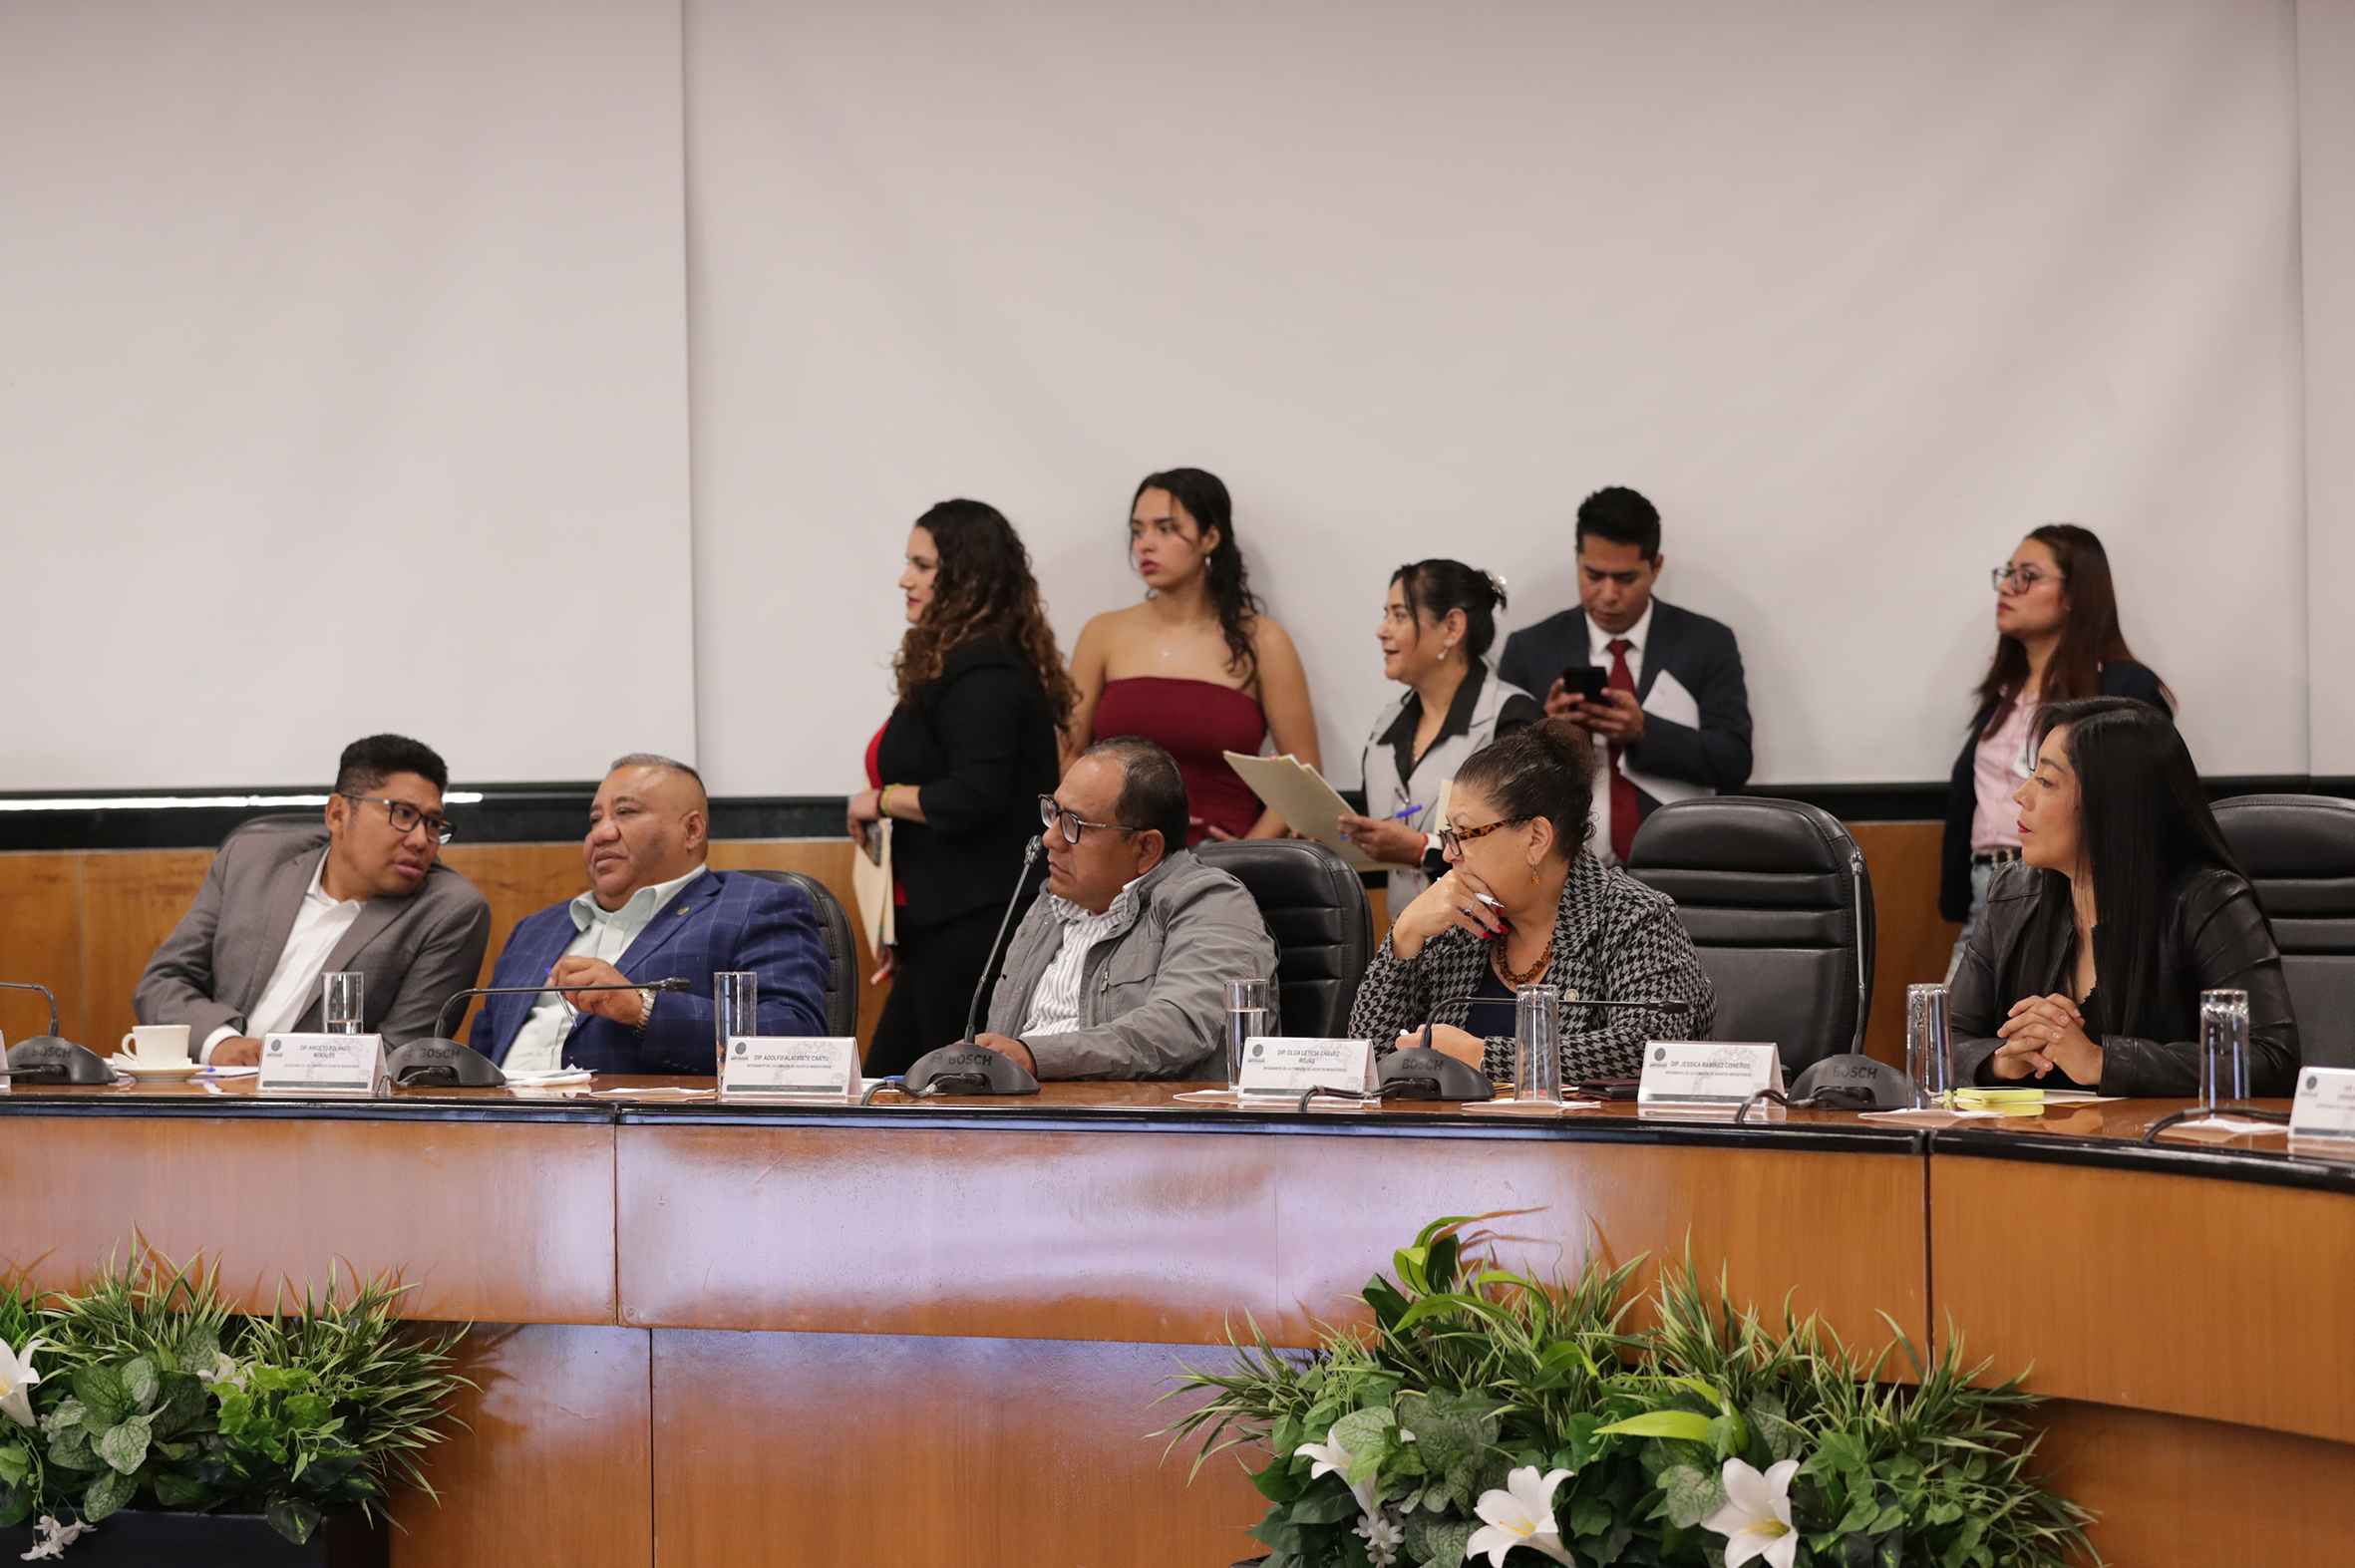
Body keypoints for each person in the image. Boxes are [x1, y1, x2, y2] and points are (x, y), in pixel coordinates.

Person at [1950, 698, 2297, 1096]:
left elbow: (2271, 1058)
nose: (2021, 795)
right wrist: (2002, 1059)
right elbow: (1947, 1041)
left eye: (2045, 781)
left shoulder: (2207, 901)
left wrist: (2101, 1062)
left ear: (2110, 803)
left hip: (2164, 1134)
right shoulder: (2012, 894)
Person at [1348, 720, 1714, 1083]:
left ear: (1536, 838)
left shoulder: (1634, 918)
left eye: (1466, 833)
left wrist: (1483, 1056)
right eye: (1449, 834)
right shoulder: (1457, 922)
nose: (1448, 854)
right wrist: (1405, 935)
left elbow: (1652, 1049)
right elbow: (1366, 1062)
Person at [847, 500, 1071, 1076]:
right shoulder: (956, 663)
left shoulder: (985, 672)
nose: (906, 579)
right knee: (887, 1090)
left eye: (922, 566)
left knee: (947, 1097)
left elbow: (973, 796)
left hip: (975, 929)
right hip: (938, 928)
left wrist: (880, 800)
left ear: (967, 576)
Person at [135, 735, 491, 1065]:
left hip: (326, 1104)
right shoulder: (251, 861)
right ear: (337, 814)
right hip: (205, 1090)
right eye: (403, 814)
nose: (421, 840)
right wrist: (220, 1043)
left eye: (433, 824)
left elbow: (401, 1054)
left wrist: (272, 1071)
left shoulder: (449, 910)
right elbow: (163, 983)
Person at [468, 754, 829, 1075]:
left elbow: (798, 1039)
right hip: (488, 1123)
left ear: (691, 830)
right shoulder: (534, 930)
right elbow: (481, 1057)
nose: (601, 833)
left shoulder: (755, 907)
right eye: (595, 819)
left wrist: (642, 1009)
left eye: (625, 812)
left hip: (634, 1127)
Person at [973, 737, 1277, 1081]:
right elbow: (1002, 1040)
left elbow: (1178, 1029)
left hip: (1141, 1113)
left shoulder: (1213, 904)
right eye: (1054, 813)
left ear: (1146, 848)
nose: (1049, 839)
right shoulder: (1051, 906)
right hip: (1025, 1108)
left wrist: (1035, 1056)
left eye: (1074, 825)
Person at [1941, 524, 2170, 975]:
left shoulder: (2123, 686)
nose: (2008, 587)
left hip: (2069, 894)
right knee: (1952, 1016)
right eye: (2007, 573)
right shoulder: (2003, 690)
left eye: (2027, 576)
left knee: (2049, 1016)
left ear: (2074, 595)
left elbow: (2142, 805)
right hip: (1987, 892)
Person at [1498, 486, 1751, 866]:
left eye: (1626, 578)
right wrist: (1547, 735)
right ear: (1577, 558)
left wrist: (1644, 731)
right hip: (1560, 868)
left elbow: (1734, 762)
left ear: (1656, 566)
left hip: (1676, 865)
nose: (1608, 594)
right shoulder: (1529, 648)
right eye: (1593, 575)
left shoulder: (1707, 643)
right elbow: (1499, 777)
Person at [1065, 469, 1321, 844]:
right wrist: (1102, 825)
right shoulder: (1102, 633)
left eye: (1166, 529)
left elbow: (1303, 772)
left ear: (1210, 538)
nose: (1145, 545)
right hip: (1119, 850)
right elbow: (1068, 754)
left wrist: (1251, 853)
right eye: (1138, 531)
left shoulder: (1264, 641)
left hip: (1225, 854)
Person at [1336, 560, 1541, 906]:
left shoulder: (1511, 719)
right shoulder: (1388, 723)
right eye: (1386, 615)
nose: (1382, 630)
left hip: (1491, 930)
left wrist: (1423, 850)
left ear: (1452, 628)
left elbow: (1521, 847)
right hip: (1405, 930)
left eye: (1399, 616)